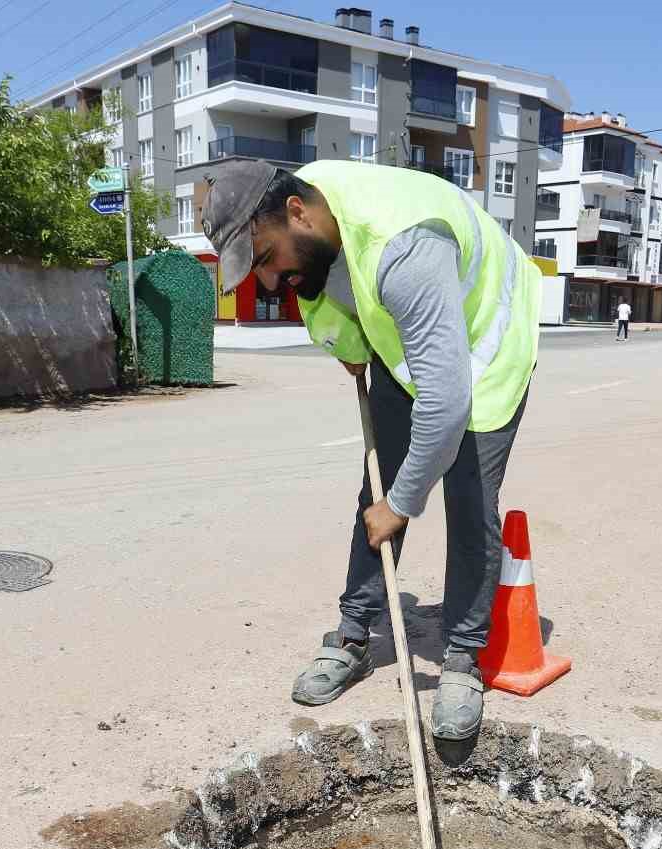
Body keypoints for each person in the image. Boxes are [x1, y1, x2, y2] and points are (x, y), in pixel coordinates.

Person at [199, 159, 539, 744]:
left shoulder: (404, 250)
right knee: (377, 485)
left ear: (297, 213)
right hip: (412, 343)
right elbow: (320, 291)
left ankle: (462, 656)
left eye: (266, 259)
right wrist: (348, 344)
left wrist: (403, 505)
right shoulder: (310, 223)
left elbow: (447, 404)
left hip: (485, 342)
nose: (272, 282)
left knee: (467, 495)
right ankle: (354, 637)